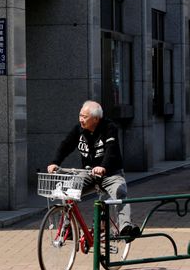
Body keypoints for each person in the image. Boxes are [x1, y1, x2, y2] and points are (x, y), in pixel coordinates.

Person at [47, 100, 140, 237]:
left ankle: (125, 226)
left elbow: (111, 150)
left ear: (96, 119)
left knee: (120, 192)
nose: (81, 119)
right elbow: (66, 145)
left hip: (111, 174)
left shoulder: (109, 127)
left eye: (85, 117)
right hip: (88, 174)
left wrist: (103, 167)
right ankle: (69, 227)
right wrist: (55, 162)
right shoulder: (79, 130)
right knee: (66, 190)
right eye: (80, 115)